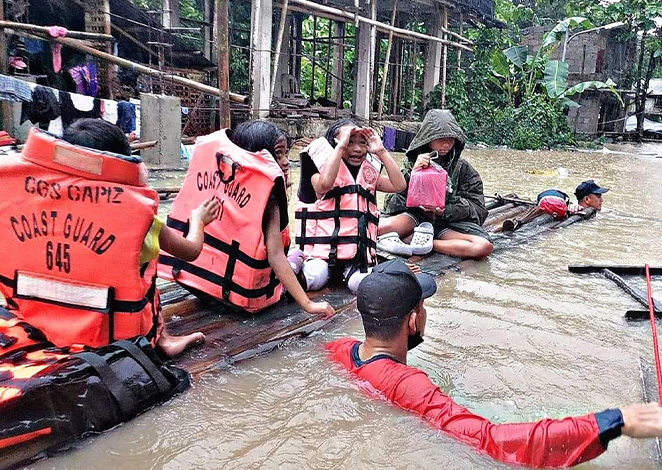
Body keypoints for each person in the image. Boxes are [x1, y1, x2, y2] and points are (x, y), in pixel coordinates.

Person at [326, 258, 662, 469]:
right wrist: (613, 421)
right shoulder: (410, 384)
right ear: (411, 322)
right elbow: (494, 442)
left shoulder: (341, 350)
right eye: (423, 307)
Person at [0, 120, 214, 357]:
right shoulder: (137, 213)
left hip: (34, 326)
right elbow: (190, 250)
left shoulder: (17, 196)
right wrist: (199, 220)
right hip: (112, 338)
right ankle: (162, 340)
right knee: (145, 266)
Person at [160, 120, 334, 318]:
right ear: (259, 154)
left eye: (286, 153)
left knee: (294, 255)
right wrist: (308, 304)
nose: (286, 161)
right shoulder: (269, 196)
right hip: (243, 299)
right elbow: (275, 256)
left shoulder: (217, 176)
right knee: (308, 262)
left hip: (200, 284)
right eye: (278, 153)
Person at [293, 118, 406, 293]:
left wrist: (381, 151)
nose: (357, 149)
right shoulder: (318, 172)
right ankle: (293, 263)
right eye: (349, 142)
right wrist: (339, 148)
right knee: (315, 277)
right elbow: (324, 186)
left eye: (362, 143)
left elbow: (399, 185)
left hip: (356, 259)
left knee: (363, 285)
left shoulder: (369, 175)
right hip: (321, 256)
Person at [378, 109, 493, 260]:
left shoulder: (464, 169)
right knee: (374, 230)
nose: (446, 144)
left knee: (483, 247)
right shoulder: (413, 162)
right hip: (414, 218)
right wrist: (413, 174)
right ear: (428, 138)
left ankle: (424, 243)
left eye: (451, 139)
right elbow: (392, 200)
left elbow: (478, 208)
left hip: (447, 225)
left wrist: (445, 209)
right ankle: (415, 238)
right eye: (441, 139)